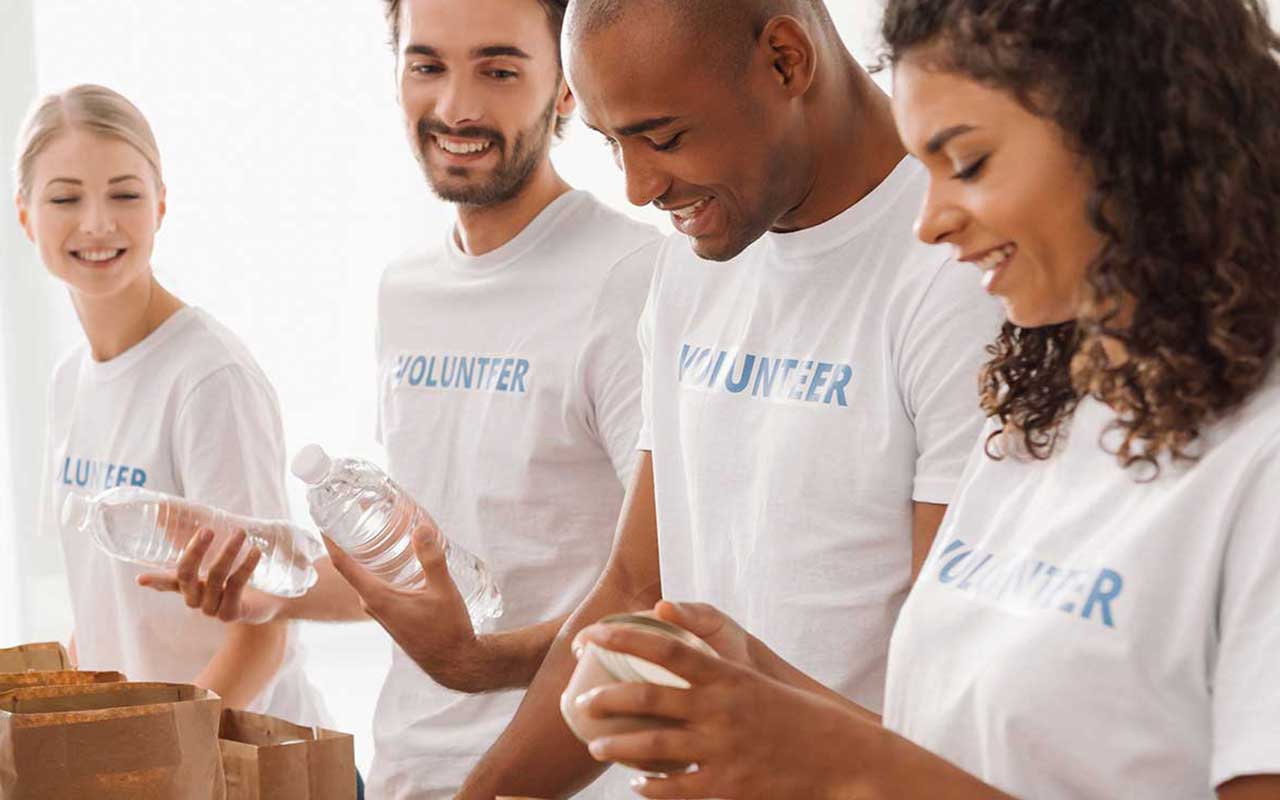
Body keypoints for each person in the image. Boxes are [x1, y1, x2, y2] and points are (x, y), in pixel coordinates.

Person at [563, 1, 1280, 798]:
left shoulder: (1259, 463)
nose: (930, 221)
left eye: (966, 164)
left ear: (1137, 137)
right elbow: (948, 761)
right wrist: (760, 689)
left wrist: (828, 761)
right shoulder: (1038, 419)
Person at [456, 0, 1002, 795]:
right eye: (614, 145)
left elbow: (953, 695)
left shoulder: (965, 268)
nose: (641, 188)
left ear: (786, 59)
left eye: (664, 136)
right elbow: (639, 588)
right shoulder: (696, 258)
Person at [141, 0, 663, 795]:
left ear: (566, 88)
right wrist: (272, 590)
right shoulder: (405, 291)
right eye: (427, 65)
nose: (455, 107)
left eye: (497, 68)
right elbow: (427, 570)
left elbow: (656, 591)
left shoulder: (633, 282)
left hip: (569, 779)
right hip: (406, 773)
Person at [14, 84, 326, 726]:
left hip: (236, 757)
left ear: (161, 204)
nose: (97, 223)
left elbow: (263, 635)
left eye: (125, 195)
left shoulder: (209, 378)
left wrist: (159, 761)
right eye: (66, 197)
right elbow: (108, 612)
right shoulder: (68, 381)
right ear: (24, 216)